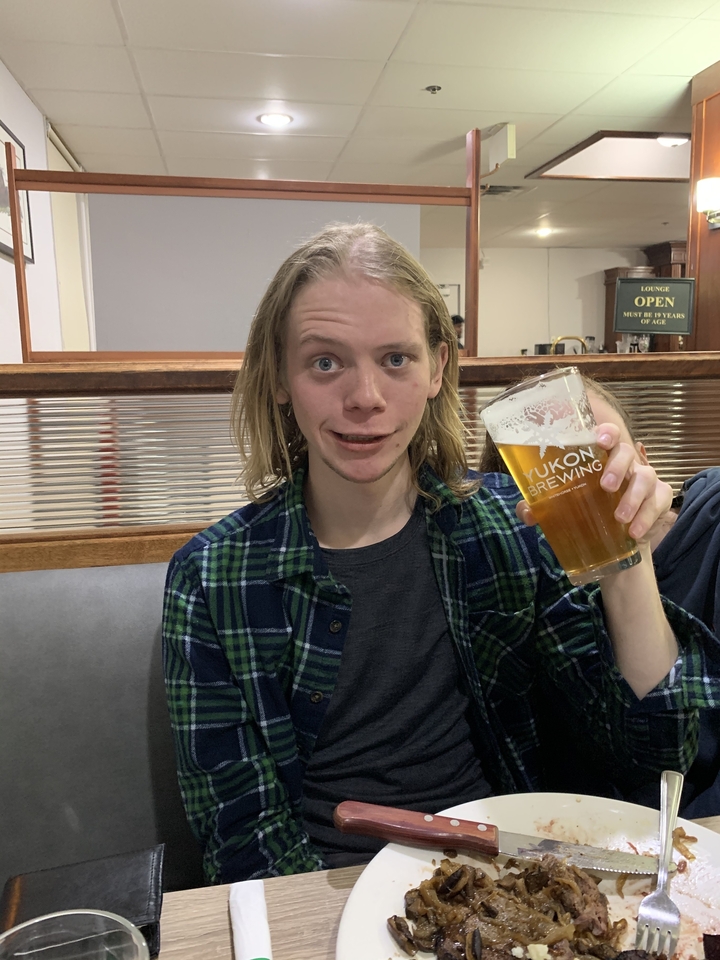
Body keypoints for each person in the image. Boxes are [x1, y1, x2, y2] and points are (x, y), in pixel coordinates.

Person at [162, 223, 719, 884]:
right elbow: (242, 838)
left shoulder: (504, 530)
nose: (365, 397)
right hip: (322, 888)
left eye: (395, 358)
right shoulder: (211, 578)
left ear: (436, 370)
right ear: (280, 378)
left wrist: (627, 564)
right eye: (325, 362)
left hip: (508, 880)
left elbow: (655, 752)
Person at [481, 377, 720, 817]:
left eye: (602, 450)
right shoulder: (538, 602)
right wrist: (624, 560)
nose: (588, 474)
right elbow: (649, 756)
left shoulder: (714, 529)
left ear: (642, 457)